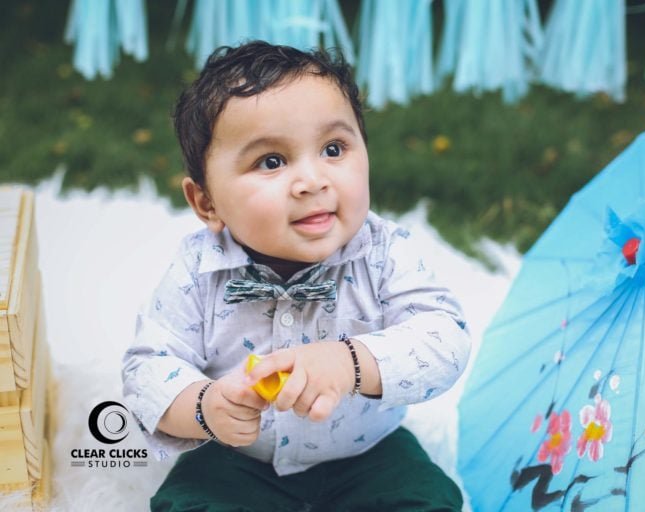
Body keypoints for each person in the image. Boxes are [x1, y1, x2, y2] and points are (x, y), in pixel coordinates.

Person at [122, 39, 471, 511]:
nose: (313, 181)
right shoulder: (197, 271)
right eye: (272, 161)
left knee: (427, 499)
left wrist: (349, 362)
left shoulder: (386, 254)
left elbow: (444, 338)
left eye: (333, 148)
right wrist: (203, 406)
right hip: (238, 457)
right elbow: (147, 366)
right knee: (188, 505)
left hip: (368, 451)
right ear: (206, 202)